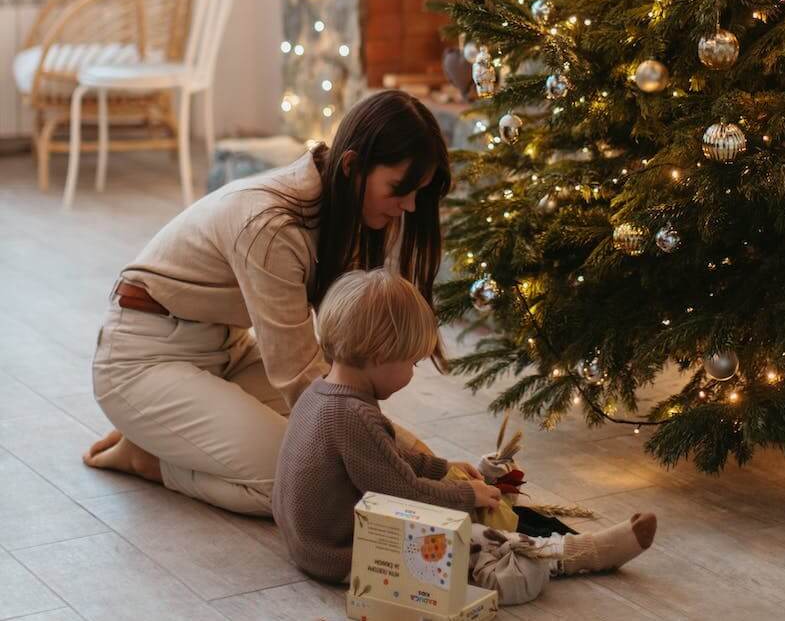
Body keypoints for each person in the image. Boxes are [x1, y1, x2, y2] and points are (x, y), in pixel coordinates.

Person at [83, 90, 450, 516]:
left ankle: (169, 438)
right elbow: (305, 379)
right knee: (309, 485)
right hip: (141, 359)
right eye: (400, 188)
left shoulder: (359, 213)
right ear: (351, 165)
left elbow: (343, 379)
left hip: (226, 352)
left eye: (418, 192)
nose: (409, 206)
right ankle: (151, 460)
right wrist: (407, 462)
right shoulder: (271, 227)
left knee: (341, 460)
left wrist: (423, 465)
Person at [272, 267, 657, 606]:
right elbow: (404, 494)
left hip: (309, 546)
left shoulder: (322, 393)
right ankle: (575, 553)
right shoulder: (354, 415)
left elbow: (385, 459)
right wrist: (467, 495)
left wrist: (443, 468)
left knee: (452, 501)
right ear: (379, 353)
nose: (412, 373)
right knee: (472, 535)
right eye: (412, 362)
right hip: (343, 554)